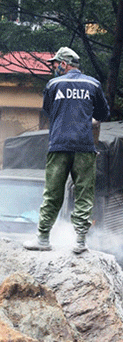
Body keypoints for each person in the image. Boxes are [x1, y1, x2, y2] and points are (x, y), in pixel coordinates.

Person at [23, 47, 110, 254]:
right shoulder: (93, 84)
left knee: (53, 192)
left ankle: (43, 238)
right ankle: (80, 242)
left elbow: (48, 111)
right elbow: (103, 113)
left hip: (59, 145)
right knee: (84, 193)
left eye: (55, 64)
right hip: (84, 146)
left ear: (64, 64)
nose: (54, 68)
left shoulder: (53, 84)